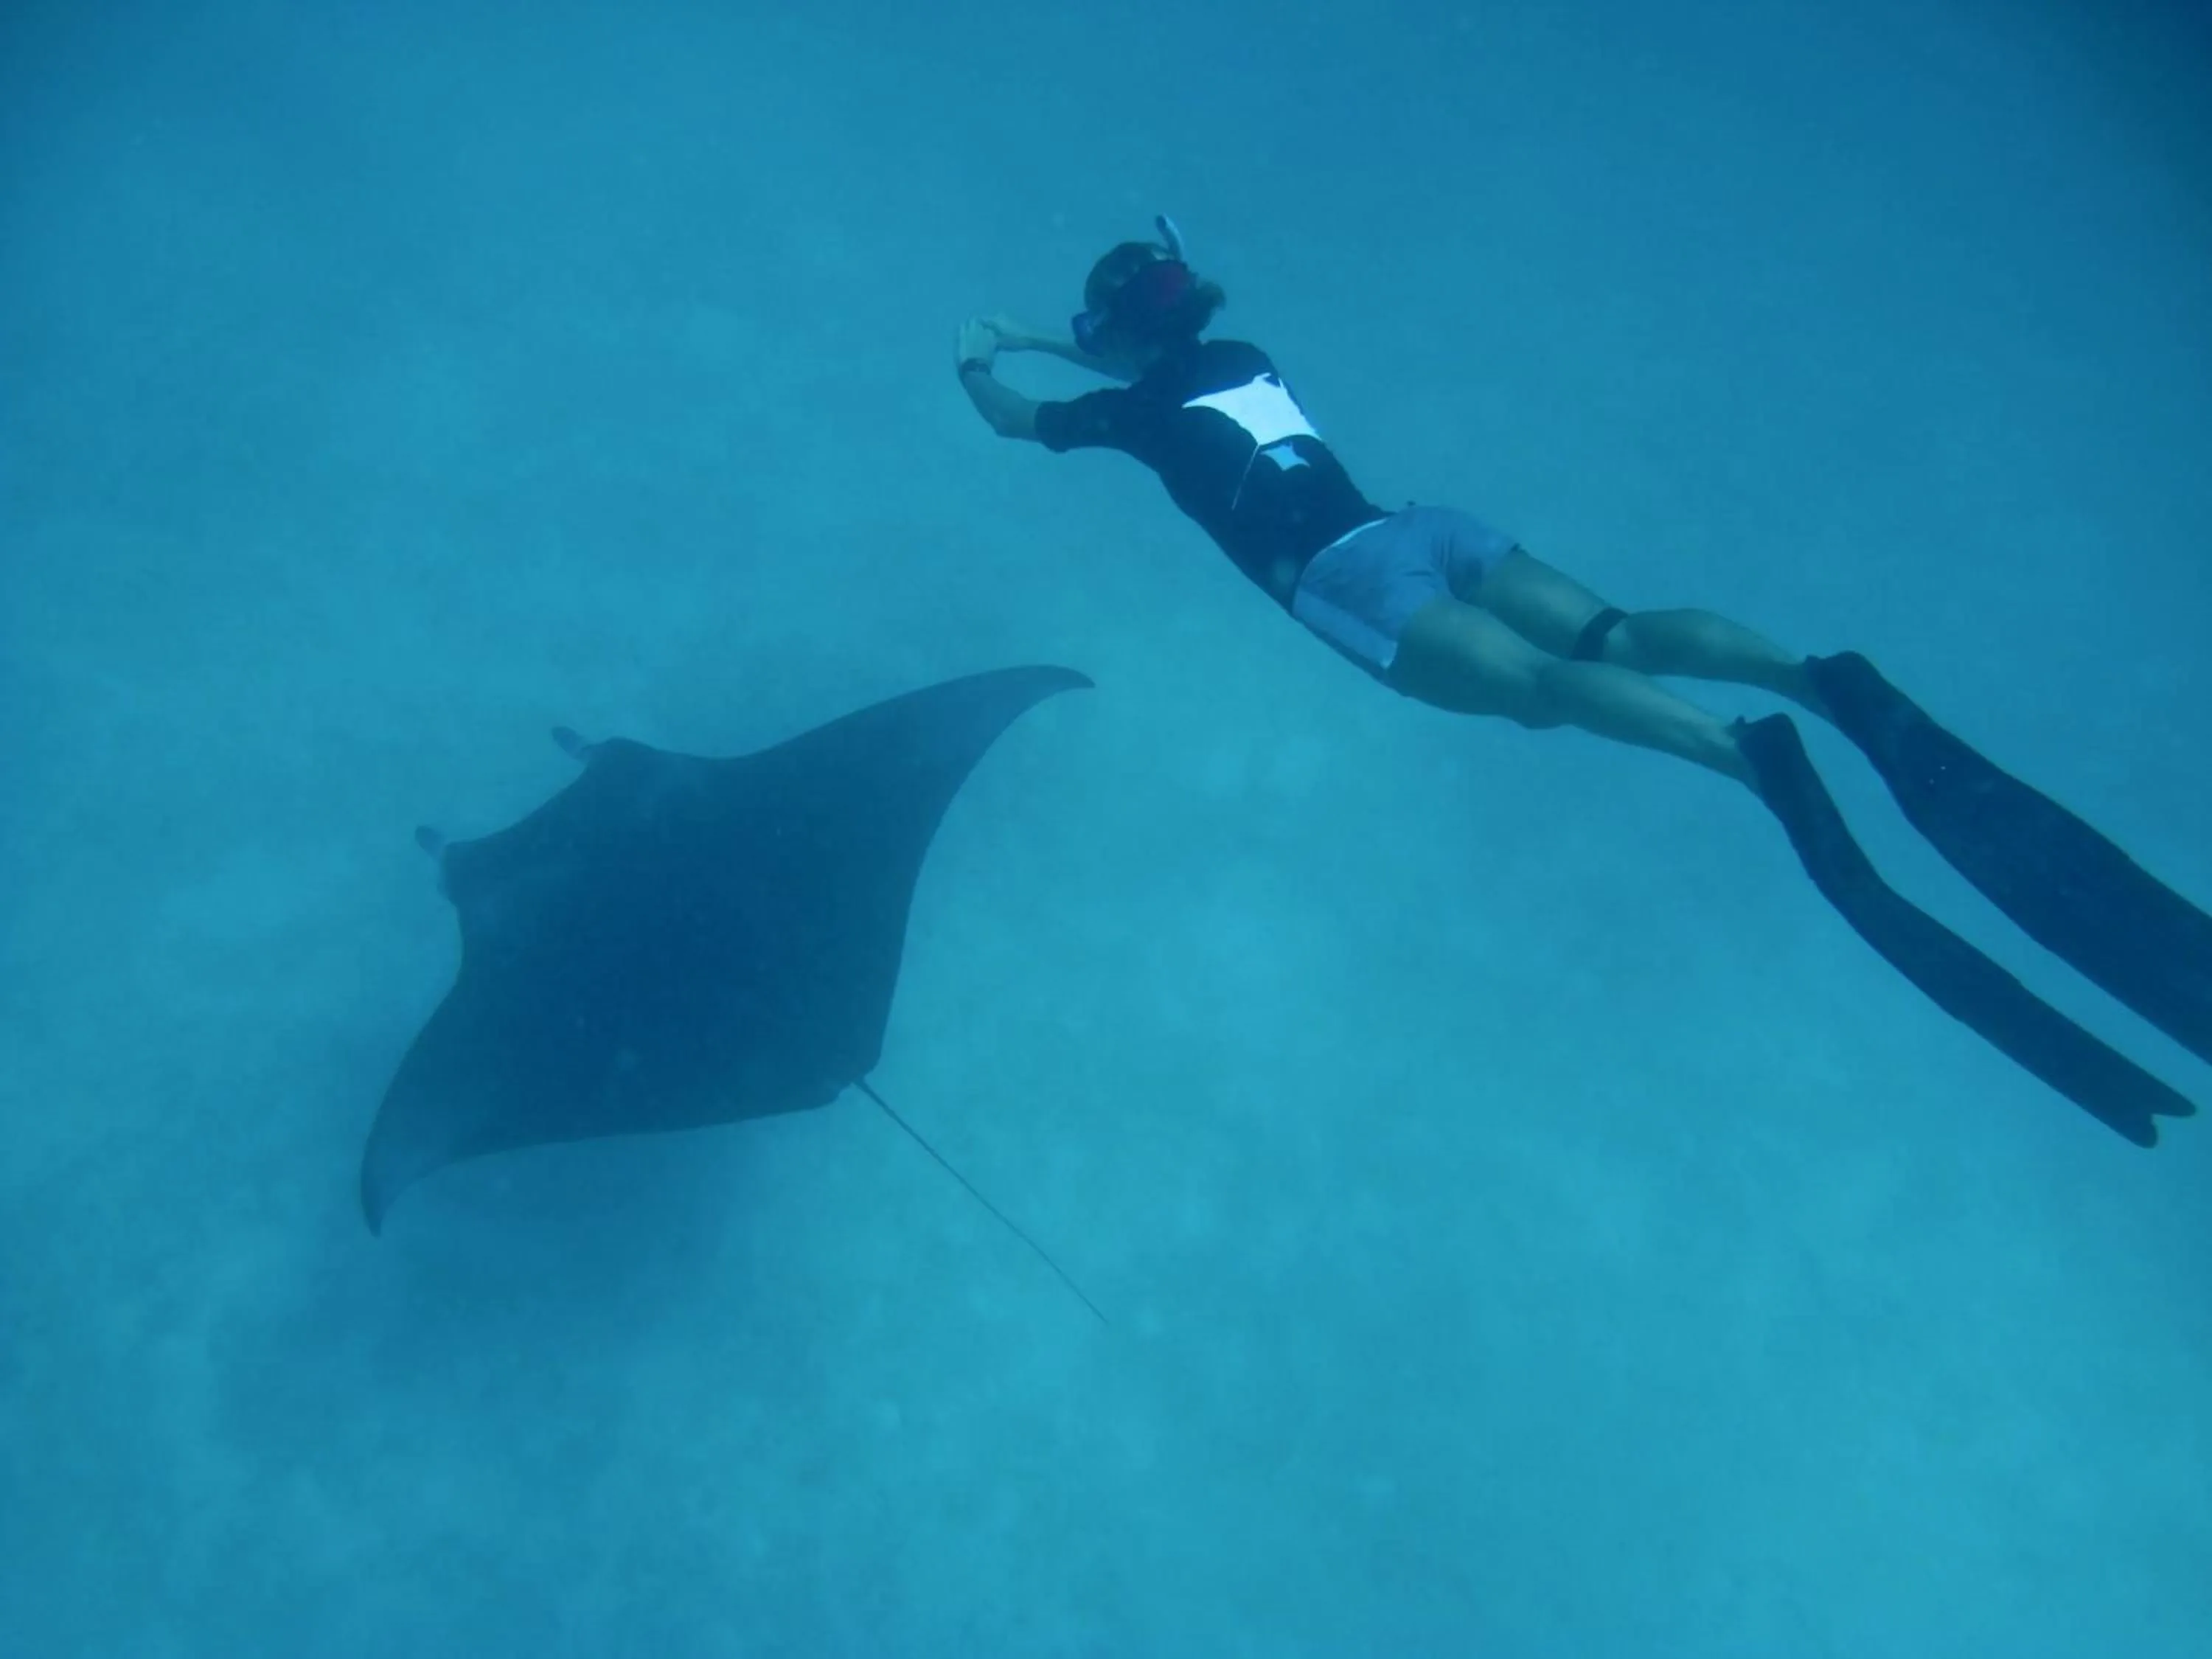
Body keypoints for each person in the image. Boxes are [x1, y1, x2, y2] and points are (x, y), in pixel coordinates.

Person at [954, 216, 2212, 1147]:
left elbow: (1026, 417)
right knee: (1608, 631)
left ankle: (1744, 755)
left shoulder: (1131, 412)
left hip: (1351, 582)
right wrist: (1079, 337)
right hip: (1423, 525)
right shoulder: (1240, 349)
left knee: (1544, 691)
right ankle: (1816, 683)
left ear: (1117, 338)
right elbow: (1155, 366)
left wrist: (986, 356)